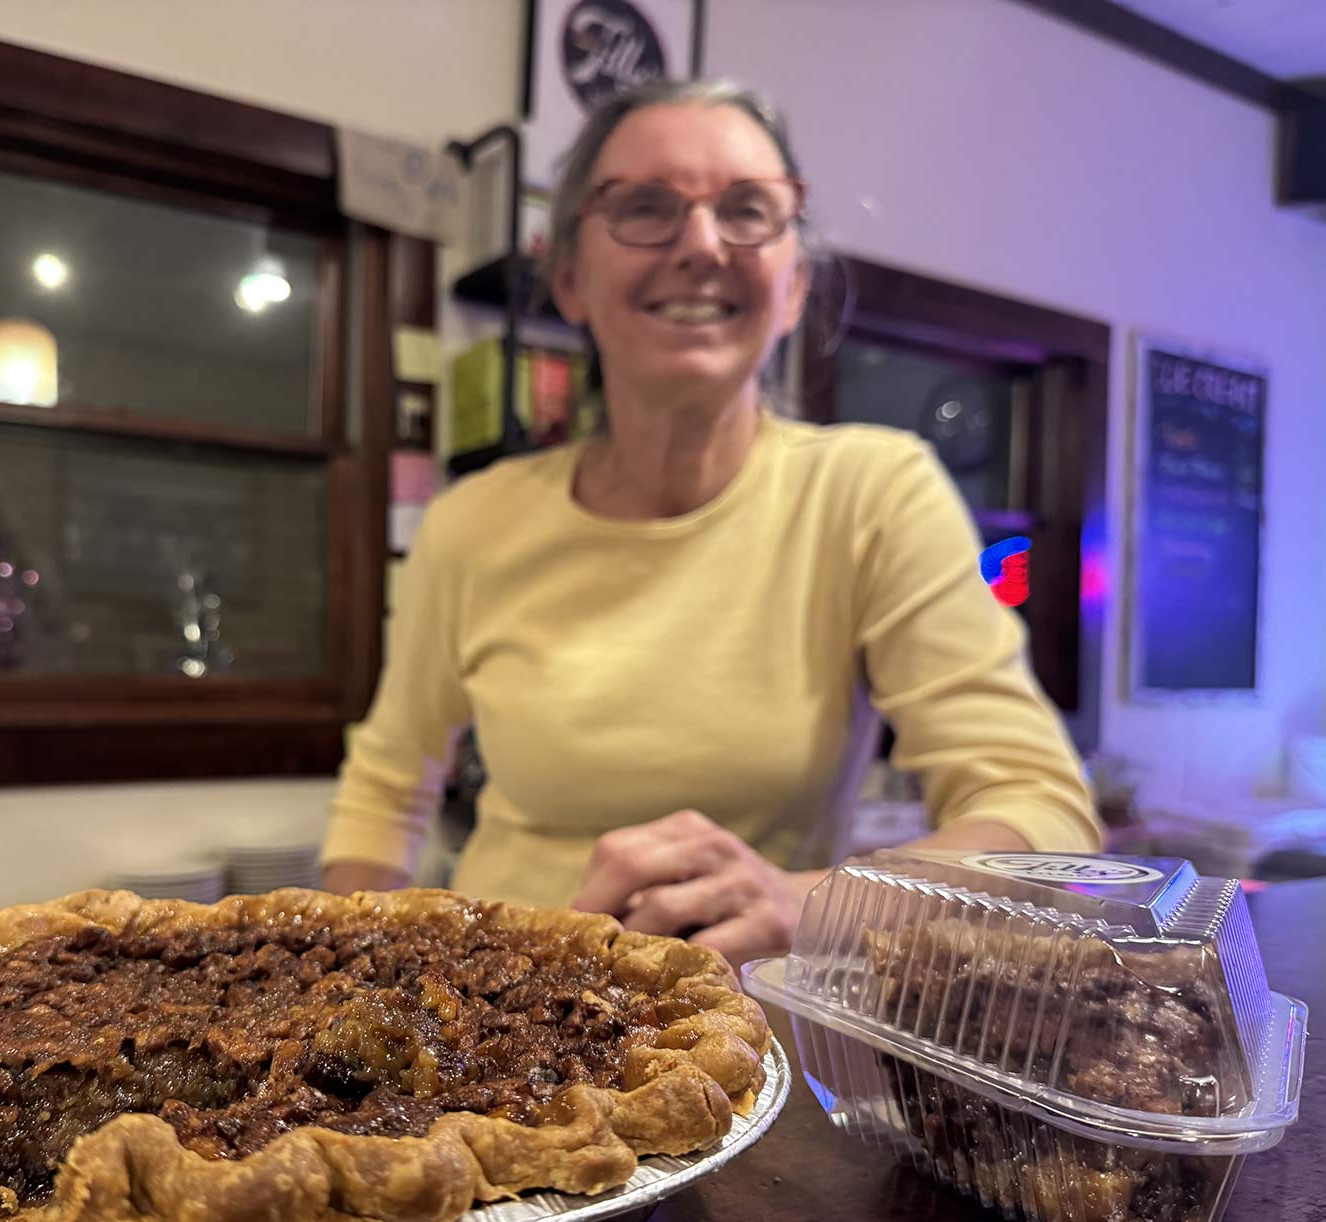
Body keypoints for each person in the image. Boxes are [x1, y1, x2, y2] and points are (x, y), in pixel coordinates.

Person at [320, 80, 1099, 964]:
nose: (700, 244)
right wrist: (352, 984)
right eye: (645, 208)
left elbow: (1043, 811)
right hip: (490, 1018)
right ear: (568, 278)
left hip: (740, 1037)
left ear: (796, 283)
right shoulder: (473, 521)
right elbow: (385, 791)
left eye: (748, 211)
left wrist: (805, 901)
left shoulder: (873, 492)